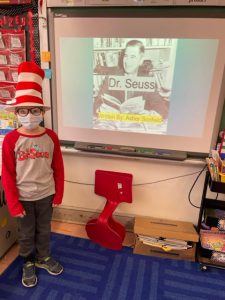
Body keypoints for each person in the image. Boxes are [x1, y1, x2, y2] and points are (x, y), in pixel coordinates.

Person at [1, 61, 64, 288]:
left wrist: (59, 193)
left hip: (46, 194)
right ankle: (28, 260)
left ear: (41, 112)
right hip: (23, 197)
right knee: (26, 233)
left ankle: (43, 257)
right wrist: (14, 203)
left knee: (44, 229)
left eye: (34, 110)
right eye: (24, 111)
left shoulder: (51, 137)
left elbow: (58, 167)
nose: (29, 115)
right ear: (17, 113)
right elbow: (7, 174)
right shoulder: (11, 140)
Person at [93, 39, 169, 123]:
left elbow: (162, 109)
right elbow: (97, 104)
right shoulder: (111, 77)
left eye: (132, 57)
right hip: (115, 124)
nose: (127, 61)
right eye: (126, 56)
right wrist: (101, 109)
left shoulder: (147, 80)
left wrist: (150, 114)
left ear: (141, 60)